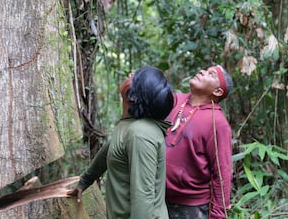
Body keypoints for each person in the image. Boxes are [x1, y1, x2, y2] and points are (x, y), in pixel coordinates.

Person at [67, 66, 174, 219]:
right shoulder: (130, 125)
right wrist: (84, 182)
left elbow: (143, 198)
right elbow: (111, 149)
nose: (130, 74)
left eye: (134, 77)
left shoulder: (140, 134)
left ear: (133, 97)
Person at [165, 65, 233, 219]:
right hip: (156, 197)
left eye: (211, 74)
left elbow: (222, 173)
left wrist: (218, 214)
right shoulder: (175, 100)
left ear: (217, 91)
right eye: (204, 70)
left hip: (189, 206)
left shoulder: (218, 123)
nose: (202, 71)